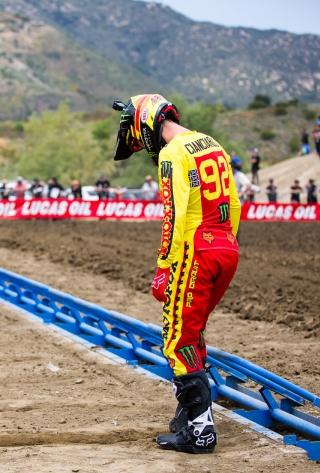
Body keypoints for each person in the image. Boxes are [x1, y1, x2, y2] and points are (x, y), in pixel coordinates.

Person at [113, 93, 241, 454]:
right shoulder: (210, 143)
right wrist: (227, 239)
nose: (141, 145)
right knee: (193, 331)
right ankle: (190, 417)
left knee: (177, 340)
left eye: (137, 139)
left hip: (195, 250)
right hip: (226, 245)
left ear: (144, 122)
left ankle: (200, 434)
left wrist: (164, 268)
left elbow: (175, 214)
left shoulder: (172, 154)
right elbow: (233, 202)